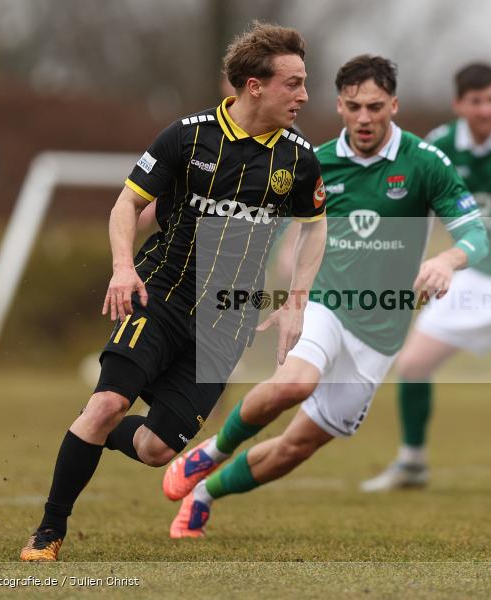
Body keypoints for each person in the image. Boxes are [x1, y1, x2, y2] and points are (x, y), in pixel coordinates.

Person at [19, 21, 327, 561]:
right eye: (293, 83)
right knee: (107, 403)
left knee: (156, 449)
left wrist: (295, 302)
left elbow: (314, 226)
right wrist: (122, 268)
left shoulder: (299, 157)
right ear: (255, 86)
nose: (304, 95)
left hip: (226, 320)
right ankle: (49, 530)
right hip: (161, 295)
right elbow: (128, 203)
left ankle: (100, 428)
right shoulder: (187, 136)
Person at [161, 55, 489, 538]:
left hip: (382, 331)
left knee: (295, 447)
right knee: (294, 384)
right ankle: (210, 453)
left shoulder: (424, 162)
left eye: (375, 106)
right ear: (339, 106)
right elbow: (267, 226)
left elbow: (476, 235)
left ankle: (205, 495)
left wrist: (447, 260)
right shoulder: (313, 162)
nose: (364, 118)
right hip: (326, 303)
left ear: (394, 105)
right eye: (353, 107)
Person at [359, 63, 491, 492]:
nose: (485, 110)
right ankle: (412, 462)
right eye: (476, 101)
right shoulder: (441, 144)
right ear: (459, 104)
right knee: (412, 364)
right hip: (475, 270)